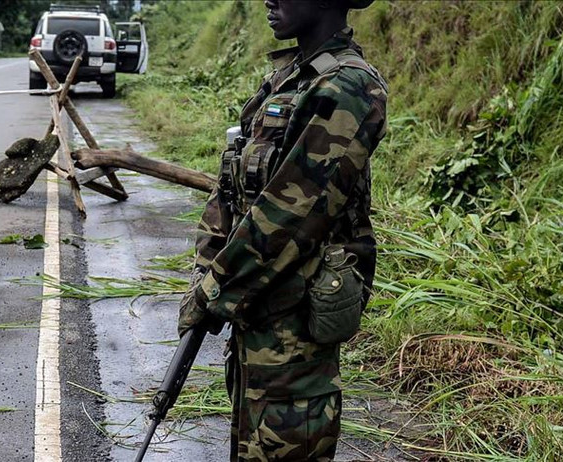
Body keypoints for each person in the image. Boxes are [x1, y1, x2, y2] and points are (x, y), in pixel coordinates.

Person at [178, 0, 388, 460]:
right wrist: (205, 266)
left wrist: (213, 290)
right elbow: (230, 187)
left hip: (295, 334)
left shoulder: (348, 86)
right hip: (252, 320)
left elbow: (289, 216)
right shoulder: (288, 78)